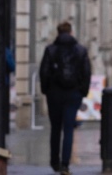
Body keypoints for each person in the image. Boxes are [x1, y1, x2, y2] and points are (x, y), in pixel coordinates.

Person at [38, 22, 93, 175]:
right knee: (68, 128)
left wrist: (46, 90)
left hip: (54, 93)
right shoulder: (81, 50)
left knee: (55, 128)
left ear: (58, 32)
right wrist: (83, 91)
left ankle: (54, 162)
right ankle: (65, 165)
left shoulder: (50, 50)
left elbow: (44, 72)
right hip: (73, 93)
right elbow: (87, 72)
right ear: (71, 32)